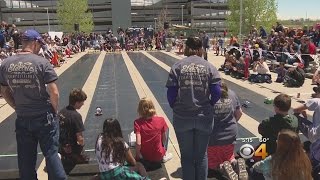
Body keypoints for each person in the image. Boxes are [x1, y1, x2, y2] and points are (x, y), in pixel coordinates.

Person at [0, 29, 66, 179]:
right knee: (51, 154)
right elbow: (54, 92)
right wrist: (54, 111)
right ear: (35, 43)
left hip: (23, 117)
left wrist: (16, 107)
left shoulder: (6, 63)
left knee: (25, 161)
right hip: (44, 116)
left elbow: (4, 91)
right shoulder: (42, 63)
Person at [166, 36, 221, 180]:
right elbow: (216, 92)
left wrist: (175, 106)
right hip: (204, 117)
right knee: (202, 155)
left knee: (187, 156)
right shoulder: (210, 67)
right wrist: (209, 104)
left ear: (187, 47)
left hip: (183, 117)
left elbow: (171, 93)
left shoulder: (177, 66)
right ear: (201, 49)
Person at [207, 82, 246, 180]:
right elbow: (239, 113)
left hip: (213, 136)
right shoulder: (231, 94)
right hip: (230, 133)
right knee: (228, 156)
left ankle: (221, 168)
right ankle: (235, 163)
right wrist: (232, 123)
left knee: (211, 162)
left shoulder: (206, 96)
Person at [134, 98, 172, 166]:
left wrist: (137, 155)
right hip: (158, 155)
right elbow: (164, 138)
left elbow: (138, 143)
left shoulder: (137, 122)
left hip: (145, 156)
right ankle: (164, 154)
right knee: (166, 129)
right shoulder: (161, 120)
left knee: (138, 134)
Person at [58, 88, 89, 174]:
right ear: (77, 102)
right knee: (85, 160)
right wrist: (82, 145)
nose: (83, 104)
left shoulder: (61, 112)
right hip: (71, 149)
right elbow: (80, 138)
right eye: (82, 102)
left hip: (61, 147)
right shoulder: (76, 116)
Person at [293, 87, 320, 179]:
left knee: (296, 116)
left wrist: (302, 115)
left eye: (316, 92)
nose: (314, 94)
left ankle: (293, 140)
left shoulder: (317, 101)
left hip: (314, 136)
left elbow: (296, 109)